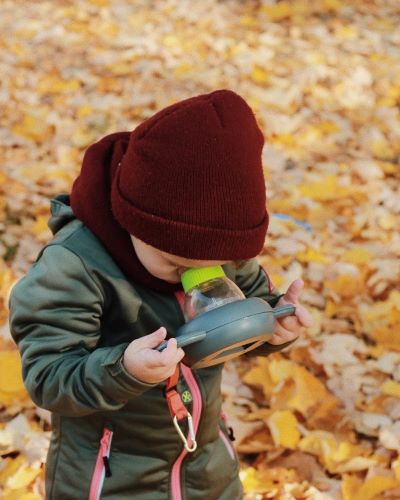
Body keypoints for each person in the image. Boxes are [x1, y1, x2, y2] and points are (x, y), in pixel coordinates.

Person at [8, 89, 312, 500]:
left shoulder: (217, 247)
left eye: (216, 265)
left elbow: (245, 316)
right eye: (176, 264)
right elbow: (49, 376)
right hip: (108, 475)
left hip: (205, 463)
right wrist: (124, 369)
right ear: (135, 224)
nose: (197, 278)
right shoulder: (75, 268)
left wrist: (277, 326)